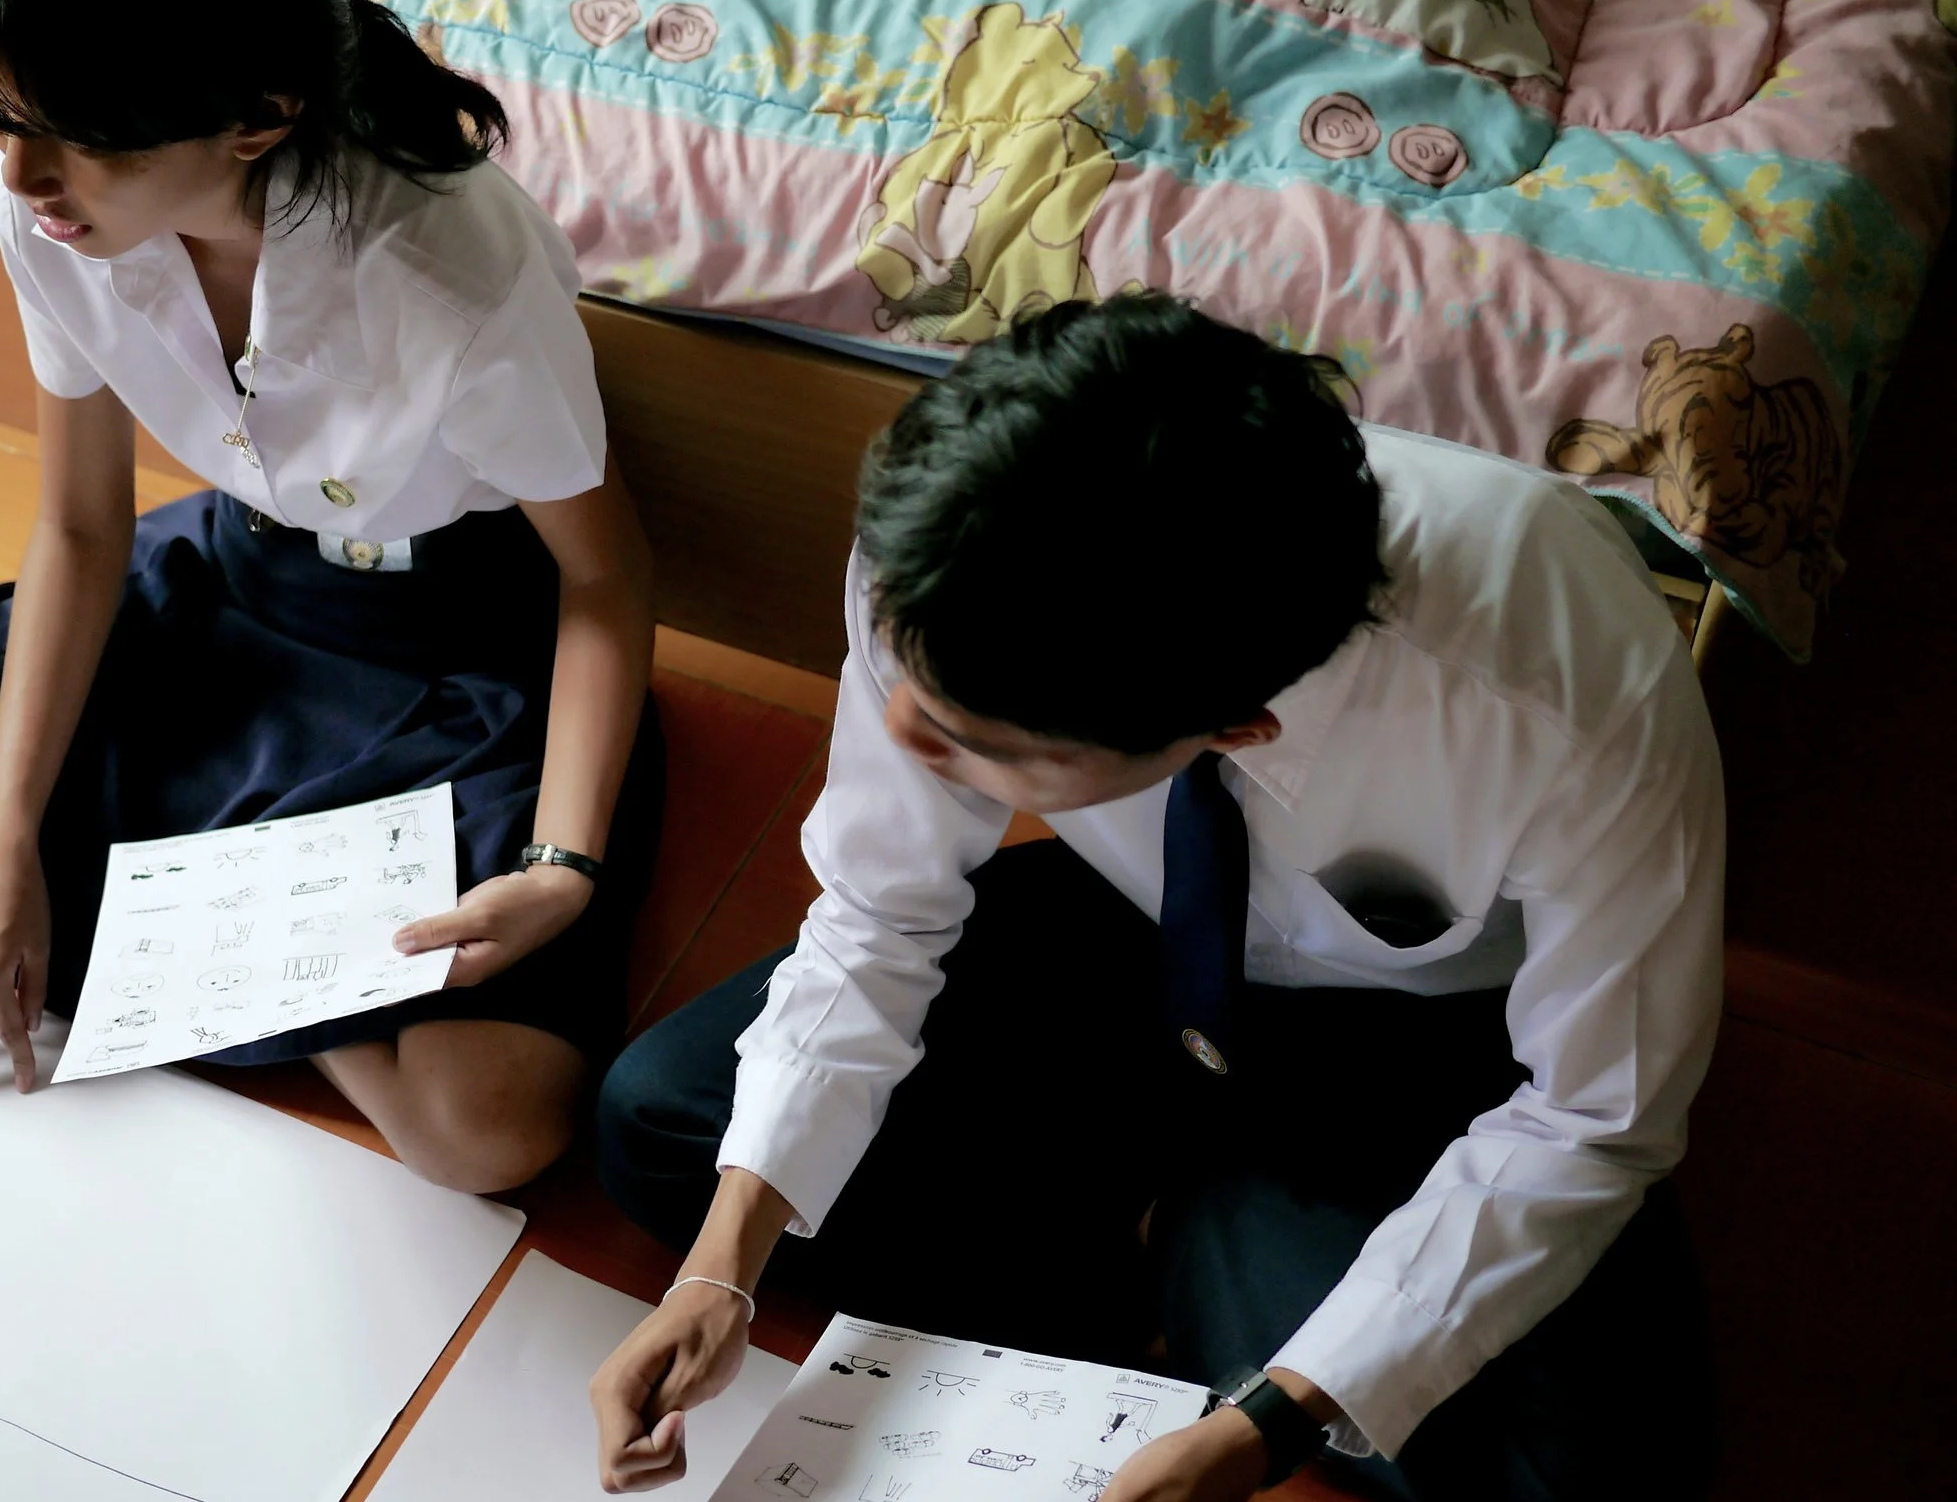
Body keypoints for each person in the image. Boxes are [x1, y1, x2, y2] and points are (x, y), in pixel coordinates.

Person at [587, 295, 1721, 1500]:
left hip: (1407, 1038)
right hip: (1123, 927)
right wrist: (718, 1272)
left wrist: (1263, 1428)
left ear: (1232, 730)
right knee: (666, 1127)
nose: (897, 729)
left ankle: (1198, 1253)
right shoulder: (945, 537)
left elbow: (1591, 1117)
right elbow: (882, 912)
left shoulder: (1555, 680)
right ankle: (1137, 1288)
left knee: (1567, 1483)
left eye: (973, 742)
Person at [0, 0, 660, 1196]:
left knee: (484, 1126)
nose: (20, 177)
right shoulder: (52, 211)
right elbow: (80, 522)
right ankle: (221, 935)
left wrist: (561, 867)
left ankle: (176, 932)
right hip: (231, 586)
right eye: (1, 120)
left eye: (74, 136)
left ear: (256, 116)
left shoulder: (450, 275)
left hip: (453, 654)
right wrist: (1, 844)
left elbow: (604, 576)